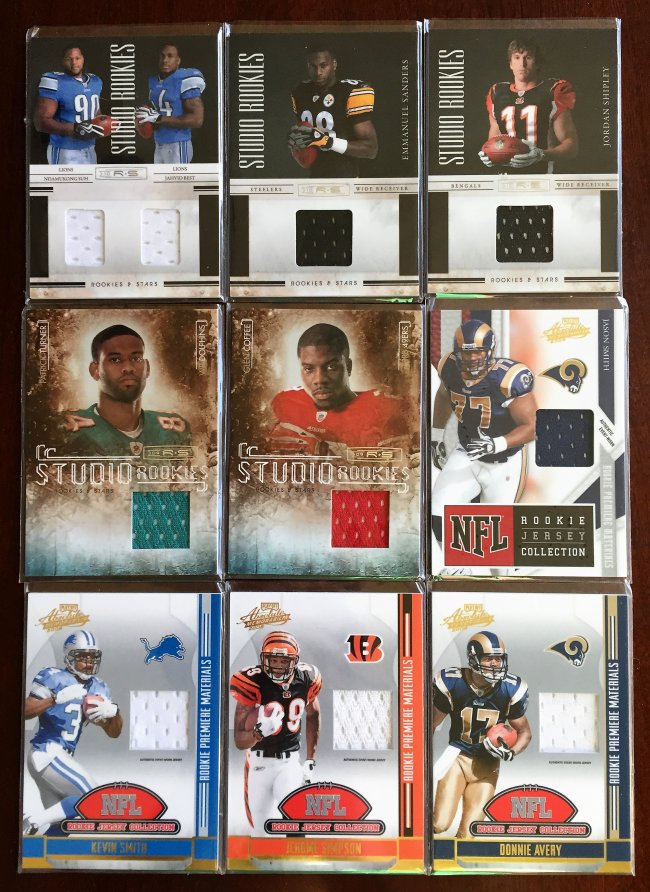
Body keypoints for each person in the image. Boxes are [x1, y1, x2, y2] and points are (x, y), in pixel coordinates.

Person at [431, 319, 536, 548]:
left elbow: (532, 427)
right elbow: (444, 395)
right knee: (437, 513)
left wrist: (496, 444)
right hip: (468, 451)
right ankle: (454, 562)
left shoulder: (508, 378)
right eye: (466, 353)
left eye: (477, 352)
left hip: (504, 461)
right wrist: (437, 435)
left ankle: (493, 569)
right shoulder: (449, 367)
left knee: (496, 534)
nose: (471, 358)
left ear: (490, 350)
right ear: (456, 352)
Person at [432, 631, 532, 839]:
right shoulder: (454, 683)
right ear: (473, 658)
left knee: (469, 834)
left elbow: (524, 732)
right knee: (439, 824)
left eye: (498, 658)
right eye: (488, 658)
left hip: (488, 763)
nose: (495, 663)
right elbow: (431, 724)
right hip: (457, 757)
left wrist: (511, 752)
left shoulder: (509, 688)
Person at [23, 631, 122, 835]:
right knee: (93, 798)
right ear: (70, 656)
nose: (89, 663)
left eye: (92, 658)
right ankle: (30, 821)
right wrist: (53, 700)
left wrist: (114, 713)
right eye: (83, 657)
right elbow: (24, 711)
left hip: (60, 758)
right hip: (47, 752)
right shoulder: (53, 677)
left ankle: (42, 848)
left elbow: (114, 733)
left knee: (61, 828)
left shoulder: (98, 687)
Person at [268, 323, 410, 456]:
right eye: (309, 369)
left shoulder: (382, 411)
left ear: (348, 366)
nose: (319, 379)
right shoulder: (286, 403)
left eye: (331, 367)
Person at [230, 631, 321, 835]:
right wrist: (258, 732)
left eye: (284, 661)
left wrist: (310, 759)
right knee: (260, 833)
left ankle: (295, 855)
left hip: (289, 763)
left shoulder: (306, 678)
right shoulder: (252, 681)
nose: (278, 666)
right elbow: (239, 741)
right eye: (274, 660)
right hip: (258, 764)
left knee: (296, 822)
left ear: (294, 662)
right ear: (264, 659)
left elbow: (313, 715)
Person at [60, 324, 191, 456]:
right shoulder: (65, 427)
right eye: (115, 359)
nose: (128, 368)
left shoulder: (174, 428)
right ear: (95, 370)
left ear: (147, 368)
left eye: (136, 358)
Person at [479, 38, 578, 173]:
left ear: (537, 63)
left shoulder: (552, 91)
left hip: (543, 176)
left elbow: (571, 146)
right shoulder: (497, 92)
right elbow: (494, 139)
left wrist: (542, 155)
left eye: (528, 57)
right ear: (510, 64)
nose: (522, 64)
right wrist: (489, 154)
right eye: (517, 57)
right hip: (506, 178)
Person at [288, 44, 378, 177]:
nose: (318, 72)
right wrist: (296, 144)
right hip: (315, 177)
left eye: (323, 66)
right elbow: (305, 138)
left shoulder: (350, 92)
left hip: (347, 177)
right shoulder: (301, 92)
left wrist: (328, 142)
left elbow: (371, 149)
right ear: (308, 66)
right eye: (313, 66)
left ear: (334, 64)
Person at [34, 46, 106, 165]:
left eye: (77, 58)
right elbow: (40, 122)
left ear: (83, 59)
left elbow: (95, 112)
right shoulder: (54, 80)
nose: (74, 62)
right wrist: (75, 129)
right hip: (65, 150)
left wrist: (104, 124)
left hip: (90, 148)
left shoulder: (95, 81)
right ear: (62, 61)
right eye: (69, 59)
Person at [135, 44, 205, 163]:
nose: (165, 60)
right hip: (159, 143)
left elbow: (197, 120)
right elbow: (158, 112)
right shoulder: (154, 81)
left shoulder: (185, 79)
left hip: (178, 144)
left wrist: (159, 118)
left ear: (178, 60)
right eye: (162, 56)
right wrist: (143, 119)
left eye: (170, 56)